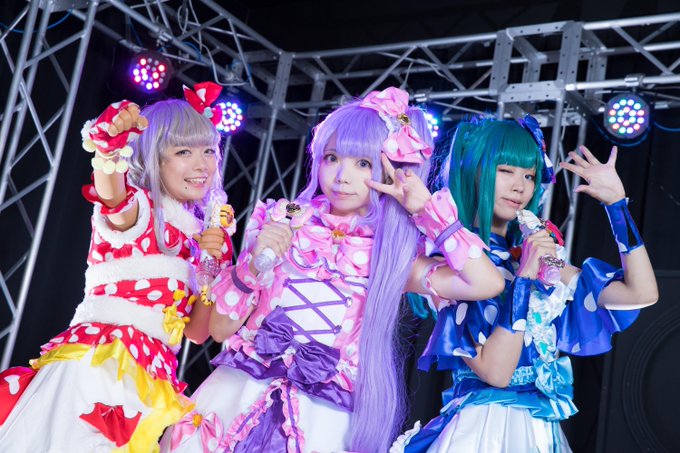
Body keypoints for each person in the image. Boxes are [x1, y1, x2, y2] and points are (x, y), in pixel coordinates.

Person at [160, 87, 505, 453]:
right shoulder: (284, 219)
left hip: (324, 416)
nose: (342, 176)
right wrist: (254, 264)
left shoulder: (391, 255)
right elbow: (218, 329)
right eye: (332, 157)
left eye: (363, 164)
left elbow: (486, 283)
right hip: (240, 390)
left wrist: (427, 210)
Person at [396, 115, 659, 453]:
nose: (520, 186)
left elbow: (640, 294)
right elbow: (497, 373)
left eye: (530, 175)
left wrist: (617, 206)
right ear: (472, 172)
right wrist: (523, 280)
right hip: (484, 427)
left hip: (539, 427)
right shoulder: (454, 263)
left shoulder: (533, 254)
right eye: (506, 171)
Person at [0, 82, 234, 452]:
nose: (201, 164)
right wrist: (108, 150)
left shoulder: (198, 237)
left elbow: (197, 333)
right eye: (183, 151)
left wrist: (212, 269)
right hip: (100, 366)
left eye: (208, 150)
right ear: (153, 158)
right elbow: (112, 196)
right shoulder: (140, 209)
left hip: (150, 380)